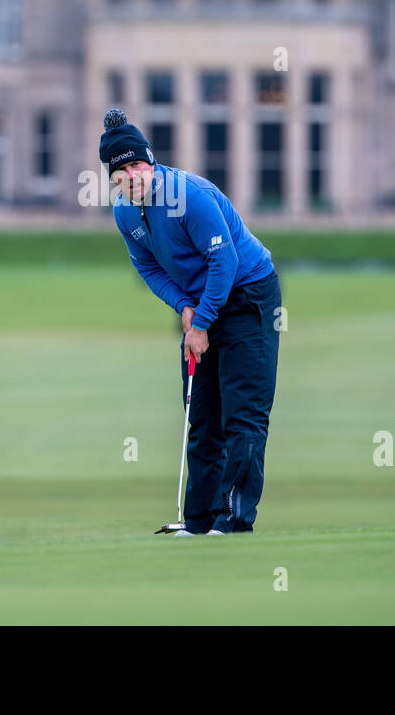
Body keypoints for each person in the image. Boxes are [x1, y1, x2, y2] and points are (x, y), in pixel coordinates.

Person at [98, 108, 281, 535]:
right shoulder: (125, 213)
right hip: (200, 304)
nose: (132, 175)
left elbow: (225, 260)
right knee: (200, 415)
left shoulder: (190, 196)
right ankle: (199, 520)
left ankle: (234, 520)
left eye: (138, 164)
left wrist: (201, 324)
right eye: (121, 170)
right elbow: (149, 270)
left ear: (151, 161)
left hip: (248, 295)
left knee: (243, 415)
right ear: (112, 178)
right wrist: (185, 308)